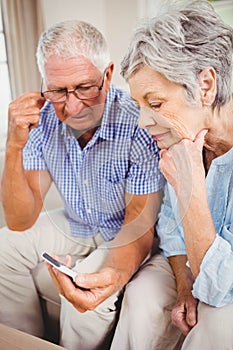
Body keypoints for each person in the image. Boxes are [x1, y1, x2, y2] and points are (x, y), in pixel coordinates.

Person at [0, 20, 164, 349]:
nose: (72, 107)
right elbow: (20, 219)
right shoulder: (43, 119)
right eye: (58, 91)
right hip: (79, 221)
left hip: (127, 229)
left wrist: (114, 273)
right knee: (4, 245)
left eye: (85, 87)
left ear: (107, 74)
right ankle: (26, 343)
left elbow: (141, 223)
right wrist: (15, 144)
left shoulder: (139, 121)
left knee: (85, 299)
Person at [111, 0, 233, 349]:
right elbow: (170, 228)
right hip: (199, 268)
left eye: (157, 103)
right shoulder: (184, 137)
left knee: (217, 325)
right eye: (140, 106)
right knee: (141, 296)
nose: (143, 122)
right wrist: (183, 284)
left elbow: (219, 288)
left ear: (206, 86)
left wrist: (191, 184)